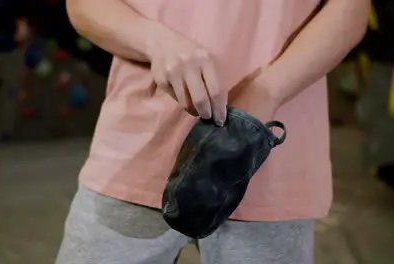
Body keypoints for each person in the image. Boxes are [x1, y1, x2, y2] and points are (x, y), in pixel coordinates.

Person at [56, 0, 369, 263]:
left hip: (264, 161)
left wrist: (266, 91)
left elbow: (350, 10)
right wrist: (154, 41)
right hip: (136, 148)